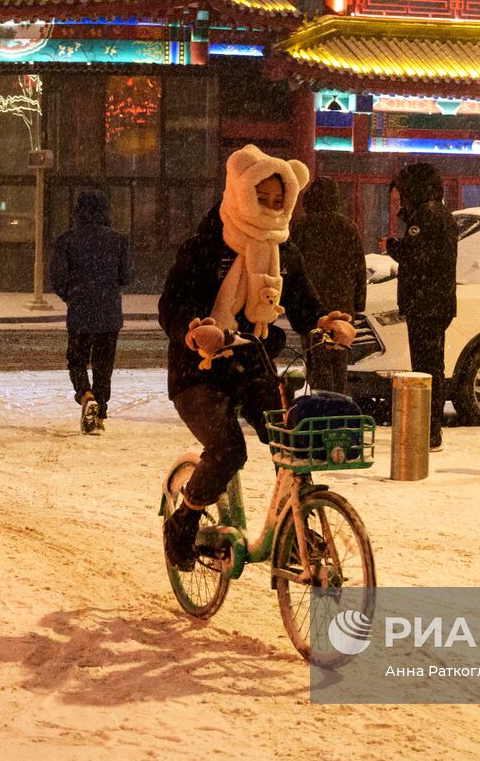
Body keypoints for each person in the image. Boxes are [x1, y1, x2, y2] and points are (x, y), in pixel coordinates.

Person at [159, 145, 355, 572]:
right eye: (261, 198)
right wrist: (194, 332)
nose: (269, 207)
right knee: (229, 448)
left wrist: (326, 321)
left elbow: (303, 303)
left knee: (293, 437)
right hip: (199, 373)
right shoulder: (206, 246)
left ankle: (295, 524)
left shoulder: (283, 250)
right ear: (240, 193)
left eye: (277, 200)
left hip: (253, 364)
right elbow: (172, 305)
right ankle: (184, 520)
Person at [385, 162, 457, 451]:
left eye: (401, 193)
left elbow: (415, 256)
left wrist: (391, 245)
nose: (399, 200)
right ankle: (431, 429)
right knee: (432, 366)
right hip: (436, 302)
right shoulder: (439, 213)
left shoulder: (426, 215)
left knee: (426, 369)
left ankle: (430, 431)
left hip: (425, 303)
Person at [50, 190, 131, 434]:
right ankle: (100, 411)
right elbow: (126, 276)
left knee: (76, 360)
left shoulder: (67, 240)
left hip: (80, 312)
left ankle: (86, 395)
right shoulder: (118, 240)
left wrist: (72, 296)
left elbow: (58, 278)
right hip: (109, 313)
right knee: (104, 365)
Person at [290, 176, 367, 394]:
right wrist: (358, 303)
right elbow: (359, 268)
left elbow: (294, 266)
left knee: (316, 358)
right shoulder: (348, 226)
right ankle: (338, 403)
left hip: (312, 303)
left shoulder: (303, 226)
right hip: (342, 303)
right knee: (339, 358)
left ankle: (321, 404)